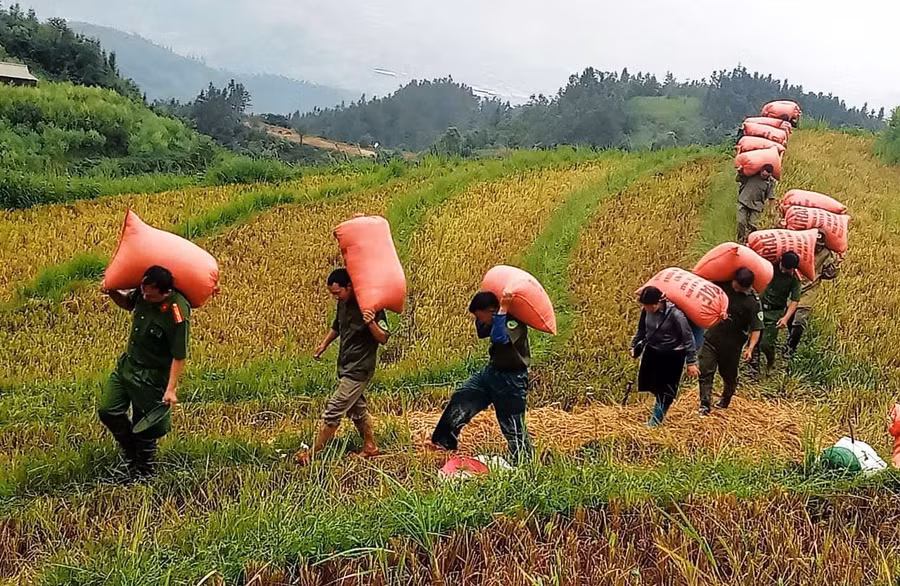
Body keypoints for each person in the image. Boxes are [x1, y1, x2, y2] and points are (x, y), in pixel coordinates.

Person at [98, 266, 190, 478]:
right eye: (143, 290)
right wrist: (112, 291)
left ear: (165, 293)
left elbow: (179, 355)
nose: (144, 296)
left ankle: (144, 470)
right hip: (128, 366)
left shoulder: (177, 314)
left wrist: (171, 389)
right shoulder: (143, 291)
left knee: (145, 424)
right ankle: (131, 452)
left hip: (151, 376)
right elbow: (128, 303)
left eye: (150, 294)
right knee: (108, 410)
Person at [296, 268, 389, 465]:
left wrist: (371, 322)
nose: (335, 297)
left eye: (337, 293)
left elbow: (383, 338)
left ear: (349, 287)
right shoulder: (343, 304)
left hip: (360, 369)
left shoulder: (370, 305)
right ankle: (370, 446)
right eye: (332, 294)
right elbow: (337, 326)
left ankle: (312, 454)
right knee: (357, 410)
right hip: (346, 365)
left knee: (334, 410)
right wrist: (324, 344)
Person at [428, 290, 533, 462]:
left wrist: (503, 309)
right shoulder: (493, 318)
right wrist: (489, 313)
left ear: (492, 311)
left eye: (481, 316)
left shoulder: (514, 322)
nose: (481, 321)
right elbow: (481, 332)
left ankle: (524, 461)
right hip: (492, 372)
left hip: (511, 380)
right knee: (463, 397)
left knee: (512, 423)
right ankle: (444, 441)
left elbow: (499, 338)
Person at [697, 268, 763, 416]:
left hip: (732, 346)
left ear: (744, 286)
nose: (734, 285)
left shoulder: (753, 302)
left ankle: (726, 399)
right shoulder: (723, 285)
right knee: (705, 371)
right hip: (712, 337)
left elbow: (756, 328)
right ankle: (704, 405)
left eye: (737, 284)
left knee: (729, 376)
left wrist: (750, 348)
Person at [629, 286, 699, 427]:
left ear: (657, 303)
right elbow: (642, 330)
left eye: (648, 306)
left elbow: (688, 338)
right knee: (652, 384)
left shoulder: (676, 315)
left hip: (672, 355)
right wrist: (634, 345)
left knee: (666, 390)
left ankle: (656, 420)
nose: (646, 308)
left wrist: (691, 362)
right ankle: (658, 409)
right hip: (653, 351)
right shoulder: (646, 311)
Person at [786, 231, 840, 358]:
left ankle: (791, 348)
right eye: (816, 244)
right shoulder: (801, 247)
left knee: (800, 320)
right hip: (794, 287)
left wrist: (835, 265)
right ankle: (790, 337)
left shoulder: (826, 254)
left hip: (810, 290)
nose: (818, 247)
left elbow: (829, 275)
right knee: (790, 317)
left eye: (820, 245)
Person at [753, 251, 801, 376]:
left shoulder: (794, 279)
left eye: (788, 269)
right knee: (754, 338)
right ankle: (753, 368)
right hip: (760, 308)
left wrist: (785, 318)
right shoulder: (769, 267)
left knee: (767, 343)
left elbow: (794, 301)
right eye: (783, 268)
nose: (784, 271)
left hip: (775, 312)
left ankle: (770, 361)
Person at [736, 164, 776, 244]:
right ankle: (740, 240)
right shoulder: (752, 174)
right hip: (744, 200)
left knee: (753, 225)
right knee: (741, 222)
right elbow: (738, 179)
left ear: (770, 174)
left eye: (766, 175)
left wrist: (771, 210)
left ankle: (750, 242)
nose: (764, 176)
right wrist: (740, 172)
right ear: (761, 171)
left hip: (757, 206)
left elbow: (771, 197)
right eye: (763, 174)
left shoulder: (770, 182)